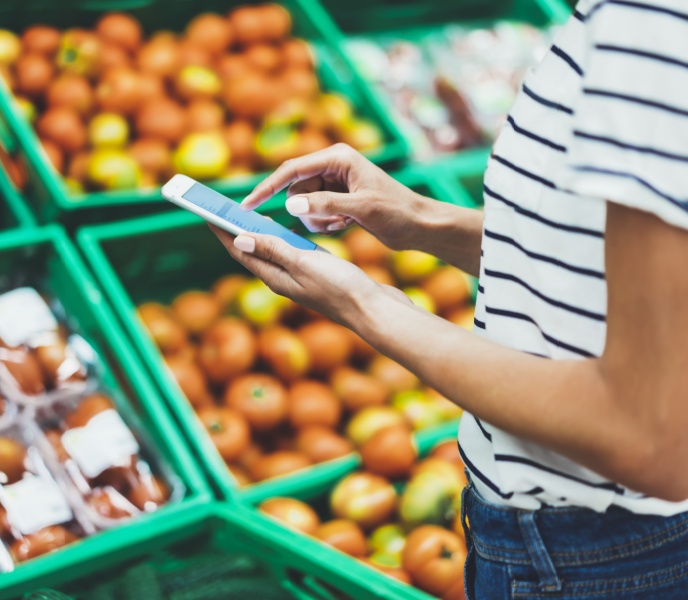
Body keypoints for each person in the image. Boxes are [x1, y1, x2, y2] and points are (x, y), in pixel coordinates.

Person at [211, 0, 688, 597]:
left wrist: (367, 304)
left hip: (600, 556)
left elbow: (650, 434)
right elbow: (610, 269)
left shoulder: (651, 24)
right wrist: (420, 220)